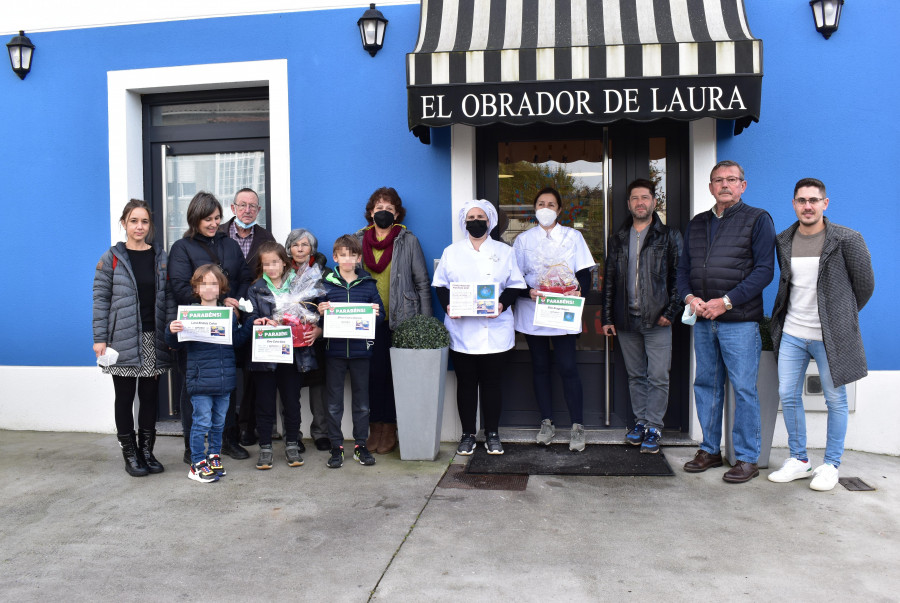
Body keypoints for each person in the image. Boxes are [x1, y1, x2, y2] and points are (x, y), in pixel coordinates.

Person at [767, 178, 874, 491]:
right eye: (801, 200)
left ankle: (831, 465)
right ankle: (799, 460)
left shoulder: (847, 239)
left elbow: (864, 286)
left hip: (830, 338)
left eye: (814, 200)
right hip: (792, 333)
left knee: (835, 399)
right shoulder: (784, 240)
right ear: (794, 204)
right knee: (788, 395)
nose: (807, 206)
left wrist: (840, 317)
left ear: (825, 204)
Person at [676, 160, 775, 483]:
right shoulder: (698, 223)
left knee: (744, 389)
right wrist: (691, 298)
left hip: (739, 322)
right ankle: (709, 449)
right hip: (704, 320)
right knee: (706, 385)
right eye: (718, 180)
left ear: (743, 185)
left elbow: (764, 271)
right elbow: (683, 270)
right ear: (710, 187)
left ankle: (747, 458)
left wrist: (726, 302)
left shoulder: (758, 219)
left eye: (731, 179)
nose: (724, 185)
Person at [433, 200, 527, 456]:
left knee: (492, 384)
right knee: (465, 384)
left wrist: (501, 305)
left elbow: (516, 285)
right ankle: (467, 434)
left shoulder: (504, 252)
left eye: (481, 216)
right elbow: (440, 285)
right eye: (471, 217)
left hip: (494, 330)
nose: (476, 221)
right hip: (462, 330)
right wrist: (449, 306)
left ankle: (493, 434)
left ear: (490, 221)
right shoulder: (452, 252)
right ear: (465, 222)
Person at [168, 191, 255, 463]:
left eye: (217, 218)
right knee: (192, 387)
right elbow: (181, 287)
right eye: (208, 219)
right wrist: (212, 300)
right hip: (196, 330)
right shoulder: (182, 248)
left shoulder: (229, 245)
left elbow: (243, 277)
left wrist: (236, 302)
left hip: (226, 327)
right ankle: (190, 445)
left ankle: (228, 439)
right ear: (195, 219)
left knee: (226, 383)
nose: (214, 223)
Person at [92, 199, 175, 477]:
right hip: (122, 339)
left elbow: (170, 298)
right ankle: (130, 453)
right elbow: (101, 300)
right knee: (125, 397)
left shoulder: (161, 257)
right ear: (124, 224)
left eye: (144, 221)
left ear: (149, 225)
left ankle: (147, 452)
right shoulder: (111, 258)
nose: (139, 227)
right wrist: (100, 338)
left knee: (150, 396)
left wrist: (173, 330)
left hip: (154, 338)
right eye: (133, 221)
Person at [602, 179, 683, 454]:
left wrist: (671, 312)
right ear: (628, 204)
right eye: (635, 198)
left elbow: (679, 277)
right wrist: (607, 317)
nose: (640, 202)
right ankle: (639, 422)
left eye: (645, 197)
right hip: (626, 320)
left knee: (658, 375)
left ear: (654, 202)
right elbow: (609, 281)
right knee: (636, 375)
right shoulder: (618, 239)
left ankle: (654, 426)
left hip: (657, 320)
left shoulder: (669, 235)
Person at [513, 187, 595, 451]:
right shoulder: (523, 240)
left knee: (568, 367)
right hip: (533, 310)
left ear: (559, 209)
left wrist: (579, 290)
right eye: (540, 204)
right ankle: (546, 422)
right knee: (539, 367)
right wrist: (529, 291)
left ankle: (577, 426)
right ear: (534, 209)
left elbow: (584, 273)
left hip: (562, 308)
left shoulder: (573, 236)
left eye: (551, 204)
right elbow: (514, 279)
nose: (545, 208)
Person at [356, 187, 432, 455]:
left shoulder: (407, 240)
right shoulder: (357, 240)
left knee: (393, 376)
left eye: (389, 209)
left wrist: (425, 324)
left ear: (397, 213)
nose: (383, 212)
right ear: (370, 212)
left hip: (401, 320)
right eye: (379, 208)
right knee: (372, 376)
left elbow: (422, 282)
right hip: (366, 322)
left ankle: (390, 427)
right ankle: (374, 426)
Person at [165, 264, 252, 483]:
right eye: (204, 284)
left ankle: (214, 457)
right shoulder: (189, 315)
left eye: (213, 283)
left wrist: (250, 323)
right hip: (200, 379)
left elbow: (237, 341)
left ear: (221, 287)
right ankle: (197, 464)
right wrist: (171, 330)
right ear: (196, 288)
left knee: (218, 423)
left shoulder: (228, 315)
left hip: (224, 380)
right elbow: (175, 344)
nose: (209, 288)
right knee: (201, 422)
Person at [246, 241, 324, 470]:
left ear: (285, 262)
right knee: (265, 403)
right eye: (266, 264)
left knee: (292, 401)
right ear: (261, 266)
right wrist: (258, 321)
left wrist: (312, 325)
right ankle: (265, 447)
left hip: (293, 355)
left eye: (275, 262)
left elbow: (311, 314)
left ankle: (292, 443)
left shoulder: (299, 286)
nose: (271, 267)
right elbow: (250, 319)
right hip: (266, 355)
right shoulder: (256, 288)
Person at [317, 235, 385, 469]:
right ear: (335, 257)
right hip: (334, 351)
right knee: (334, 403)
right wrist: (321, 310)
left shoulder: (368, 285)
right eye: (342, 255)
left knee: (362, 403)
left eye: (352, 255)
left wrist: (376, 313)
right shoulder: (324, 285)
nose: (347, 259)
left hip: (361, 352)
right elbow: (314, 317)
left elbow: (381, 316)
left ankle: (360, 445)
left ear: (358, 258)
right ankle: (336, 447)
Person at [218, 188, 275, 448]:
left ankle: (247, 426)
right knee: (227, 369)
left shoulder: (266, 237)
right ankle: (226, 427)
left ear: (259, 210)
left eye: (253, 206)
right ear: (233, 208)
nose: (247, 210)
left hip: (255, 311)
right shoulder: (218, 233)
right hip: (223, 310)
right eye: (242, 205)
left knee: (253, 372)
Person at [286, 228, 332, 451]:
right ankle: (292, 434)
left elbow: (333, 304)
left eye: (305, 245)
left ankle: (321, 432)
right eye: (296, 245)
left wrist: (320, 330)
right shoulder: (282, 271)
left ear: (312, 248)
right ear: (289, 248)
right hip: (289, 339)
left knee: (318, 388)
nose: (300, 249)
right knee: (289, 388)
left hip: (315, 340)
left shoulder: (325, 273)